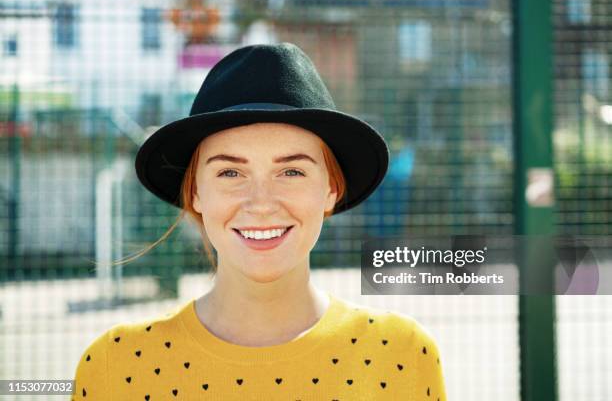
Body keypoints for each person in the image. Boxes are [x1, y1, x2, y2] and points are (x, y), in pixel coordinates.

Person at [72, 42, 447, 400]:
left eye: (292, 172)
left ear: (331, 189)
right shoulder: (114, 367)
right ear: (196, 193)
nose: (261, 203)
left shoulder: (402, 356)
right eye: (231, 174)